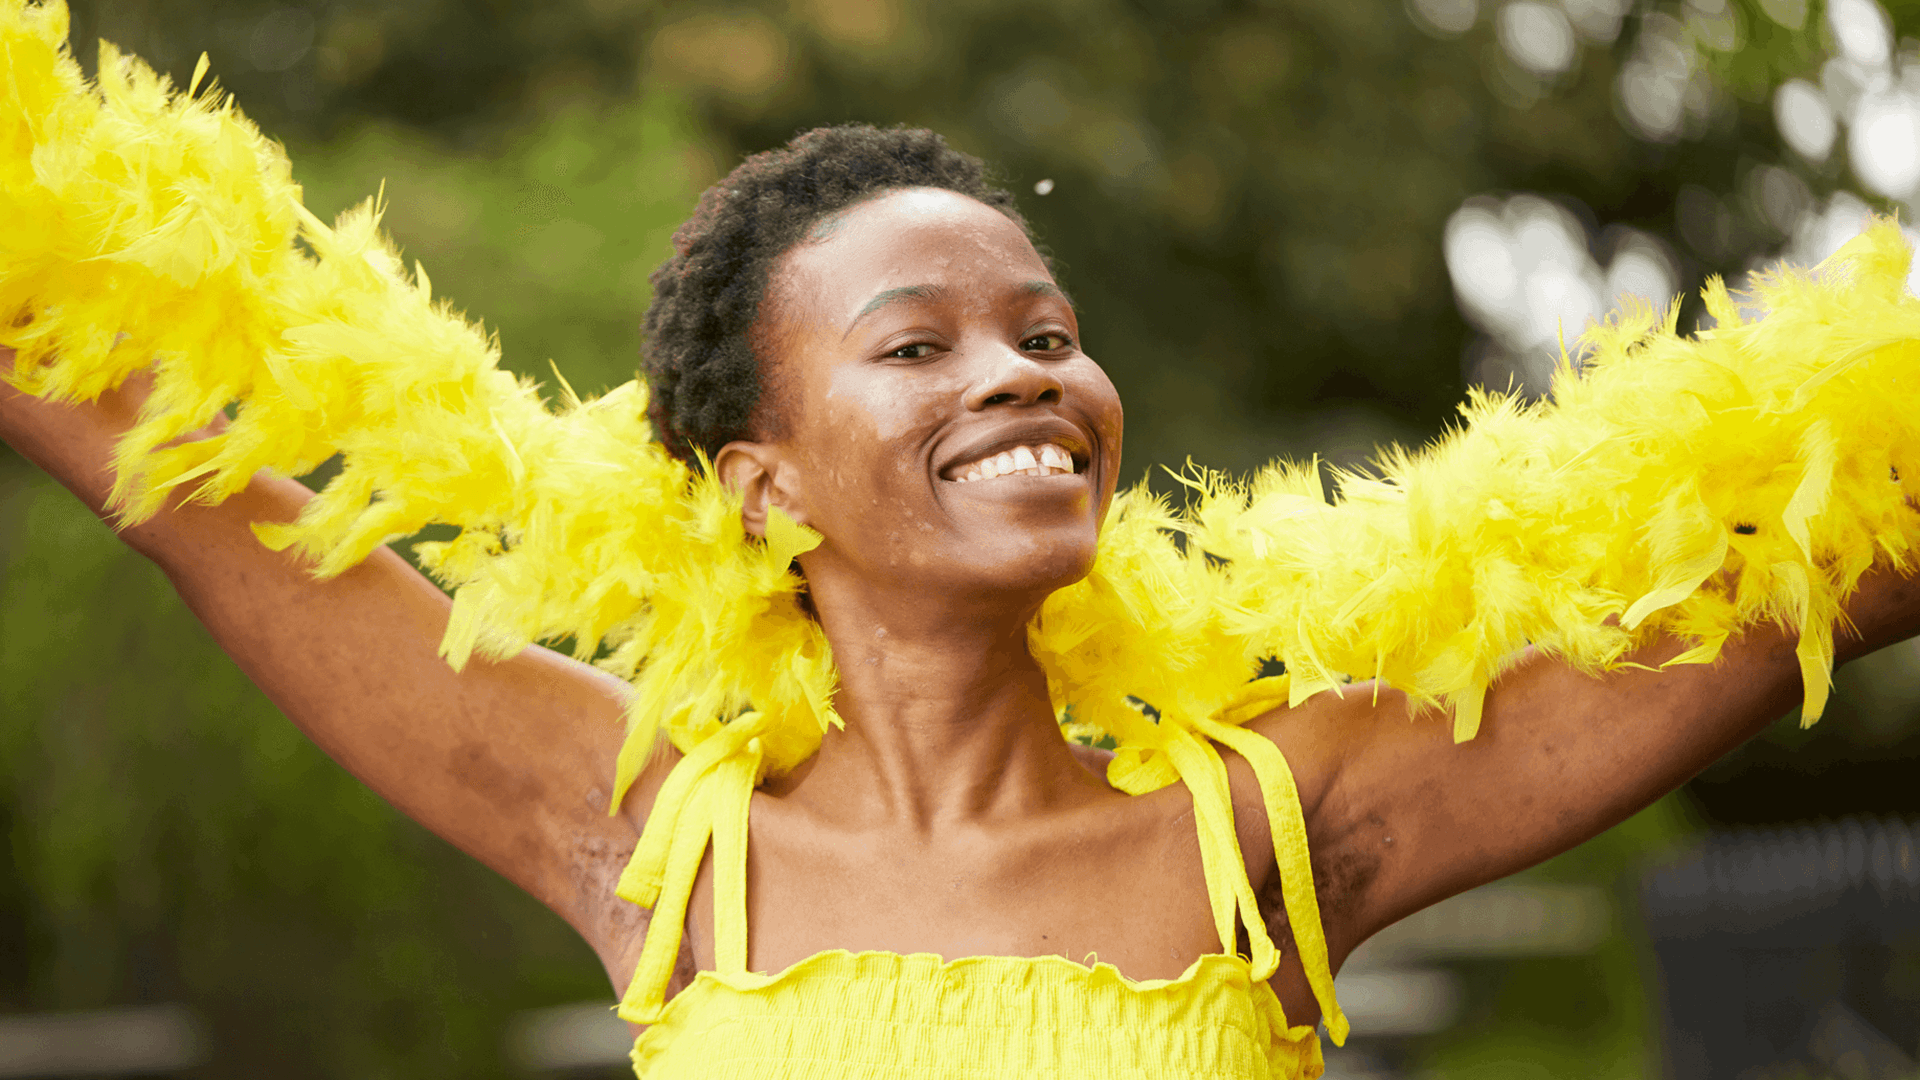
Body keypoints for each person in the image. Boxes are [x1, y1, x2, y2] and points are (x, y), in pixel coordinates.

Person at [5, 17, 1920, 1074]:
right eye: (915, 346)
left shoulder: (1269, 831)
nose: (1020, 377)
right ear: (760, 486)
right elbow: (159, 472)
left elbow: (1825, 568)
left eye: (1049, 334)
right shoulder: (649, 837)